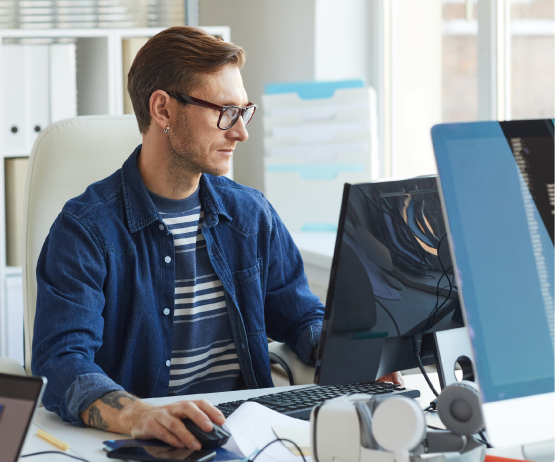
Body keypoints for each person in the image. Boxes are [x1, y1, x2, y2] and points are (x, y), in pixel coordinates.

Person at [32, 26, 400, 452]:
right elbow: (62, 362)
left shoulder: (250, 214)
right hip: (145, 442)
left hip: (251, 435)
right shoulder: (87, 230)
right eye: (225, 112)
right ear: (163, 110)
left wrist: (356, 357)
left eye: (245, 112)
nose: (240, 132)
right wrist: (138, 413)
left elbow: (299, 317)